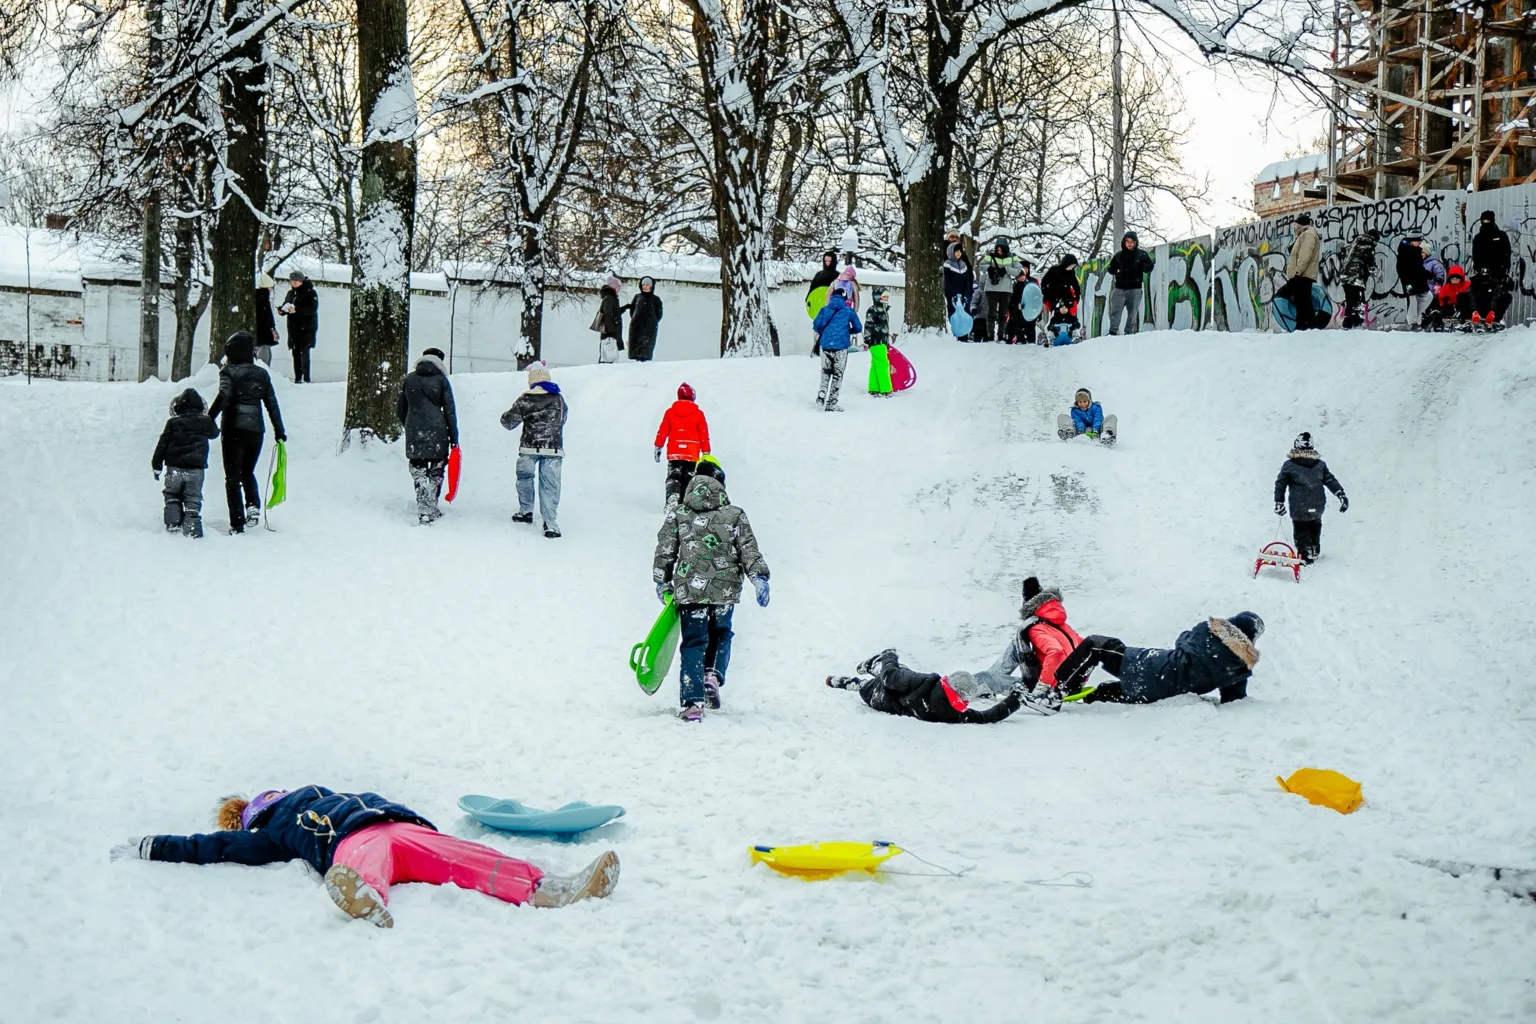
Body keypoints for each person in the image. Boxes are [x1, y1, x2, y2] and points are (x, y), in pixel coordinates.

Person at [108, 786, 620, 929]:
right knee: (364, 861)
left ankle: (548, 888)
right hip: (351, 844)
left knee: (469, 854)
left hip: (403, 831)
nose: (272, 795)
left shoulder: (333, 793)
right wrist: (158, 846)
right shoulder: (276, 830)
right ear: (255, 815)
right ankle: (363, 894)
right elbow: (216, 846)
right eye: (261, 802)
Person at [653, 459, 769, 721]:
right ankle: (712, 675)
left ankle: (693, 702)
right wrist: (759, 577)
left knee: (694, 642)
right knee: (721, 633)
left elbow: (665, 549)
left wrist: (661, 580)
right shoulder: (734, 514)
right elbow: (748, 549)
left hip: (690, 592)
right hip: (724, 592)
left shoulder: (679, 514)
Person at [1055, 612, 1264, 706]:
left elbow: (1181, 640)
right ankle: (1094, 697)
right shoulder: (1238, 670)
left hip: (1149, 669)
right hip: (1160, 694)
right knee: (1106, 690)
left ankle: (1058, 690)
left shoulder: (1208, 632)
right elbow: (1233, 699)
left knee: (1096, 645)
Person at [969, 576, 1088, 714]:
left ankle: (963, 688)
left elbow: (1055, 652)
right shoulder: (1063, 626)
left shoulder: (1035, 627)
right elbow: (1084, 652)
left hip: (1045, 688)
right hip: (1067, 684)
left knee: (985, 678)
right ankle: (990, 682)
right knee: (1015, 646)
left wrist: (1041, 688)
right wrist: (1080, 681)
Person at [208, 331, 285, 534]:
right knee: (247, 471)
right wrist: (279, 430)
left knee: (232, 477)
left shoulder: (228, 372)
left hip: (233, 429)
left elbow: (224, 395)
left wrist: (208, 419)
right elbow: (272, 404)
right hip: (256, 430)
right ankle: (253, 504)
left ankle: (237, 524)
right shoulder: (261, 374)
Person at [826, 651, 1027, 724]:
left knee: (886, 672)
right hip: (882, 702)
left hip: (877, 692)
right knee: (869, 683)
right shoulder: (952, 714)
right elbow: (987, 716)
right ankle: (851, 678)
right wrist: (1015, 700)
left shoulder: (925, 682)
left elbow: (889, 677)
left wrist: (889, 655)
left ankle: (866, 667)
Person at [500, 363, 568, 538]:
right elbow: (563, 419)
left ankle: (526, 511)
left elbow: (508, 423)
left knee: (525, 478)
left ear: (532, 382)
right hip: (553, 448)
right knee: (550, 485)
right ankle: (551, 524)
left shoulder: (526, 399)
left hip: (529, 447)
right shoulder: (558, 399)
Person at [396, 347, 459, 525]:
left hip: (414, 430)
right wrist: (454, 438)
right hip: (438, 430)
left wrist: (408, 425)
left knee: (419, 471)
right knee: (436, 470)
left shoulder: (409, 380)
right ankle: (431, 506)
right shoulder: (441, 381)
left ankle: (423, 507)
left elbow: (401, 407)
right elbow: (450, 411)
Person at [152, 387, 219, 538]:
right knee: (193, 498)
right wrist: (207, 421)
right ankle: (192, 528)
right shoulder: (205, 422)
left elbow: (162, 444)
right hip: (196, 469)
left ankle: (173, 523)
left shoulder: (173, 423)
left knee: (172, 494)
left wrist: (156, 465)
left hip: (174, 468)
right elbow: (215, 434)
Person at [1274, 431, 1347, 564]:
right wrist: (1340, 494)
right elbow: (1330, 480)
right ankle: (1314, 548)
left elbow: (1281, 484)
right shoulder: (1320, 465)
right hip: (1317, 504)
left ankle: (1305, 554)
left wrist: (1279, 501)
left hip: (1299, 505)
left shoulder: (1289, 465)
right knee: (1315, 524)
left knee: (1301, 529)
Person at [653, 382, 712, 509]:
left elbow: (662, 431)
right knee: (688, 478)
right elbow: (703, 434)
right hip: (691, 452)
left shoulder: (670, 412)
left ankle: (672, 498)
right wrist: (706, 452)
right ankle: (685, 502)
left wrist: (658, 447)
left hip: (675, 452)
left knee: (674, 476)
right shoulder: (698, 414)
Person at [811, 289, 863, 411]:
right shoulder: (848, 311)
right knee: (837, 374)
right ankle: (831, 403)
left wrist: (826, 334)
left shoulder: (824, 310)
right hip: (841, 347)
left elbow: (816, 325)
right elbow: (858, 327)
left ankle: (822, 391)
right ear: (845, 298)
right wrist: (847, 331)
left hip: (826, 346)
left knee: (825, 371)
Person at [1105, 232, 1154, 335]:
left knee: (1133, 313)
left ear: (1136, 242)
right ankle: (1113, 332)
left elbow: (1149, 267)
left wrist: (1142, 266)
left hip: (1135, 289)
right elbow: (1110, 268)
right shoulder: (1119, 255)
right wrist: (1113, 269)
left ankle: (1129, 332)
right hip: (1119, 288)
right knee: (1116, 312)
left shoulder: (1141, 254)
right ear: (1124, 242)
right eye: (1127, 241)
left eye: (1132, 241)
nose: (1129, 244)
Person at [1470, 210, 1512, 324]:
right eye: (1484, 220)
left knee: (1498, 295)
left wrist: (1505, 268)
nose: (1486, 222)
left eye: (1488, 220)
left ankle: (1495, 317)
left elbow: (1507, 252)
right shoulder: (1478, 237)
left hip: (1498, 271)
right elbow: (1475, 254)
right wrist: (1478, 268)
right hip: (1482, 272)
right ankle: (1478, 315)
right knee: (1479, 294)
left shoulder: (1501, 236)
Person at [1283, 212, 1322, 330]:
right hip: (1302, 274)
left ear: (1300, 225)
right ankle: (1304, 325)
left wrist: (1298, 272)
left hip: (1303, 274)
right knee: (1301, 300)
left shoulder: (1308, 234)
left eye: (1296, 224)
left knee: (1303, 301)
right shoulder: (1303, 235)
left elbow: (1305, 255)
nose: (1294, 227)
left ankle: (1307, 325)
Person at [276, 270, 318, 383]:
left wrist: (297, 310)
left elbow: (313, 309)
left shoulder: (310, 293)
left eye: (296, 282)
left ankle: (306, 378)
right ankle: (298, 378)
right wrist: (282, 310)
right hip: (293, 328)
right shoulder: (291, 294)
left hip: (306, 328)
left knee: (304, 353)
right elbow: (286, 304)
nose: (294, 284)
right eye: (292, 282)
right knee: (295, 353)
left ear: (301, 281)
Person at [978, 238, 1020, 343]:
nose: (999, 250)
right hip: (992, 288)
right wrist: (990, 269)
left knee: (1003, 314)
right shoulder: (990, 256)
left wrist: (1006, 270)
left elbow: (1018, 271)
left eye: (1002, 248)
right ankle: (990, 335)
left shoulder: (1012, 257)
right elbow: (981, 266)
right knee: (991, 313)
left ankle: (1001, 335)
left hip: (1005, 289)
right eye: (998, 248)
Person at [1338, 229, 1379, 329]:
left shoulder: (1357, 242)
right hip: (1355, 277)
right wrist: (1375, 270)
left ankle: (1347, 324)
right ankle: (1357, 324)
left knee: (1350, 300)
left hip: (1345, 276)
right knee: (1359, 301)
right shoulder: (1369, 243)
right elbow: (1369, 259)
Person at [624, 276, 664, 362]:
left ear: (651, 286)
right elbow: (632, 311)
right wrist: (637, 319)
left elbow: (659, 314)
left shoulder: (656, 299)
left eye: (647, 285)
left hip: (649, 328)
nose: (645, 286)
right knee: (635, 350)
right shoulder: (637, 297)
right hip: (636, 327)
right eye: (643, 284)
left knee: (646, 350)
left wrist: (651, 322)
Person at [807, 251, 840, 355]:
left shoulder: (838, 276)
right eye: (826, 260)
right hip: (819, 308)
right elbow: (812, 291)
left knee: (829, 329)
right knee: (818, 328)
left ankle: (828, 349)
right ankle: (817, 348)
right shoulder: (819, 275)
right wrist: (809, 302)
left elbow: (840, 293)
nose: (827, 263)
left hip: (832, 308)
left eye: (830, 261)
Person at [1396, 237, 1433, 324]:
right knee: (1412, 301)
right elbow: (1402, 270)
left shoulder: (1417, 251)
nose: (1420, 243)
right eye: (1418, 241)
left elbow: (1419, 268)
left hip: (1419, 280)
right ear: (1412, 241)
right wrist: (1407, 283)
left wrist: (1429, 275)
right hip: (1410, 281)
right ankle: (1412, 321)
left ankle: (1416, 315)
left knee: (1428, 296)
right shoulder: (1404, 252)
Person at [866, 287, 894, 396]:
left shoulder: (883, 309)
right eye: (884, 296)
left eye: (887, 296)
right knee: (883, 364)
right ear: (877, 297)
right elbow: (868, 325)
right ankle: (886, 389)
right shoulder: (874, 310)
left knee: (876, 364)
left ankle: (874, 387)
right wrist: (868, 339)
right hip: (876, 340)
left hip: (882, 341)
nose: (886, 298)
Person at [942, 243, 975, 335]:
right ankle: (953, 333)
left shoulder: (963, 265)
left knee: (964, 312)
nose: (958, 253)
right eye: (956, 251)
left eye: (959, 251)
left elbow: (967, 281)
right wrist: (951, 294)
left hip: (962, 295)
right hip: (952, 295)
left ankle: (963, 335)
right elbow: (946, 281)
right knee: (953, 314)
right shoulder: (947, 264)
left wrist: (966, 294)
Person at [1427, 265, 1473, 329]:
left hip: (1464, 307)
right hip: (1450, 306)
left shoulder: (1467, 285)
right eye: (1452, 279)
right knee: (1436, 301)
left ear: (1461, 278)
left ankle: (1464, 320)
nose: (1454, 280)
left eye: (1457, 279)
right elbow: (1441, 298)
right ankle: (1435, 319)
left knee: (1462, 296)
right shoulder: (1446, 287)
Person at [1007, 263, 1039, 345]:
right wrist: (1015, 306)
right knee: (1019, 325)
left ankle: (1031, 339)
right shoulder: (1015, 287)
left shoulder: (1030, 285)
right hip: (1018, 310)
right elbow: (1012, 299)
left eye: (1023, 276)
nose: (1021, 277)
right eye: (1019, 276)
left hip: (1029, 309)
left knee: (1030, 325)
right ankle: (1020, 338)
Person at [596, 274, 624, 363]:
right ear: (613, 287)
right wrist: (611, 330)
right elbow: (608, 315)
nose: (619, 288)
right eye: (618, 286)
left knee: (609, 355)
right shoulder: (609, 298)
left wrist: (625, 307)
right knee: (608, 356)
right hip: (610, 334)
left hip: (611, 332)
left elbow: (614, 313)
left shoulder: (610, 298)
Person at [255, 271, 279, 365]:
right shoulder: (263, 298)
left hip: (261, 330)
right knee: (264, 354)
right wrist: (272, 328)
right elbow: (267, 315)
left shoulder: (258, 296)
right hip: (264, 331)